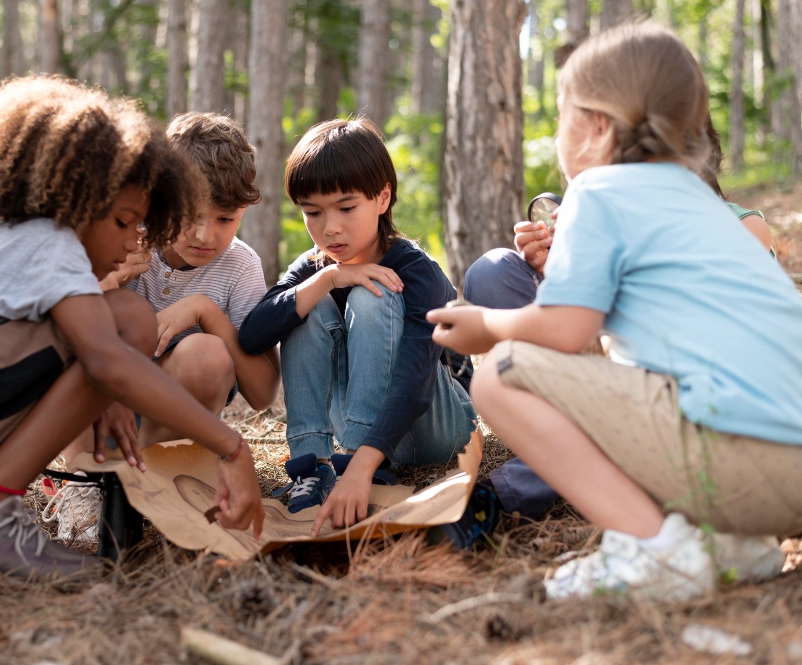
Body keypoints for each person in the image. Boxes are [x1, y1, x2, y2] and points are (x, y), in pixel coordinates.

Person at [430, 22, 802, 601]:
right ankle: (730, 545)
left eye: (561, 116)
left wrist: (487, 326)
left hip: (734, 463)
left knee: (501, 375)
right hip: (788, 477)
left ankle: (654, 548)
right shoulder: (709, 210)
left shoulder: (598, 192)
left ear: (597, 127)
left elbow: (565, 328)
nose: (558, 133)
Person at [0, 77, 264, 580]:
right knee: (122, 323)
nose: (136, 239)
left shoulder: (22, 242)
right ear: (75, 202)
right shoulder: (52, 246)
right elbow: (108, 361)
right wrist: (232, 446)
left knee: (124, 319)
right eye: (123, 221)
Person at [460, 96, 779, 544]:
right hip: (601, 378)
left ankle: (523, 482)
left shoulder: (742, 228)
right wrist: (561, 271)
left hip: (679, 398)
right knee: (495, 271)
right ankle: (562, 451)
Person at [47, 112, 281, 543]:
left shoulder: (240, 267)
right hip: (97, 406)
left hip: (169, 418)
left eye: (224, 220)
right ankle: (84, 482)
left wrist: (207, 311)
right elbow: (57, 329)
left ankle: (151, 476)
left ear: (244, 211)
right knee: (87, 330)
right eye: (189, 214)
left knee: (207, 354)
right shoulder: (123, 237)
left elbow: (263, 393)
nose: (204, 235)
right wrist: (111, 279)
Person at [238, 118, 477, 535]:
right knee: (304, 303)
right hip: (358, 418)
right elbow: (251, 336)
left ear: (383, 197)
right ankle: (311, 467)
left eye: (346, 208)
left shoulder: (418, 270)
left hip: (433, 425)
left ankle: (356, 462)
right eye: (313, 212)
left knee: (373, 292)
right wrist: (328, 278)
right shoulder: (315, 266)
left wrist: (363, 463)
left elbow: (417, 375)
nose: (330, 227)